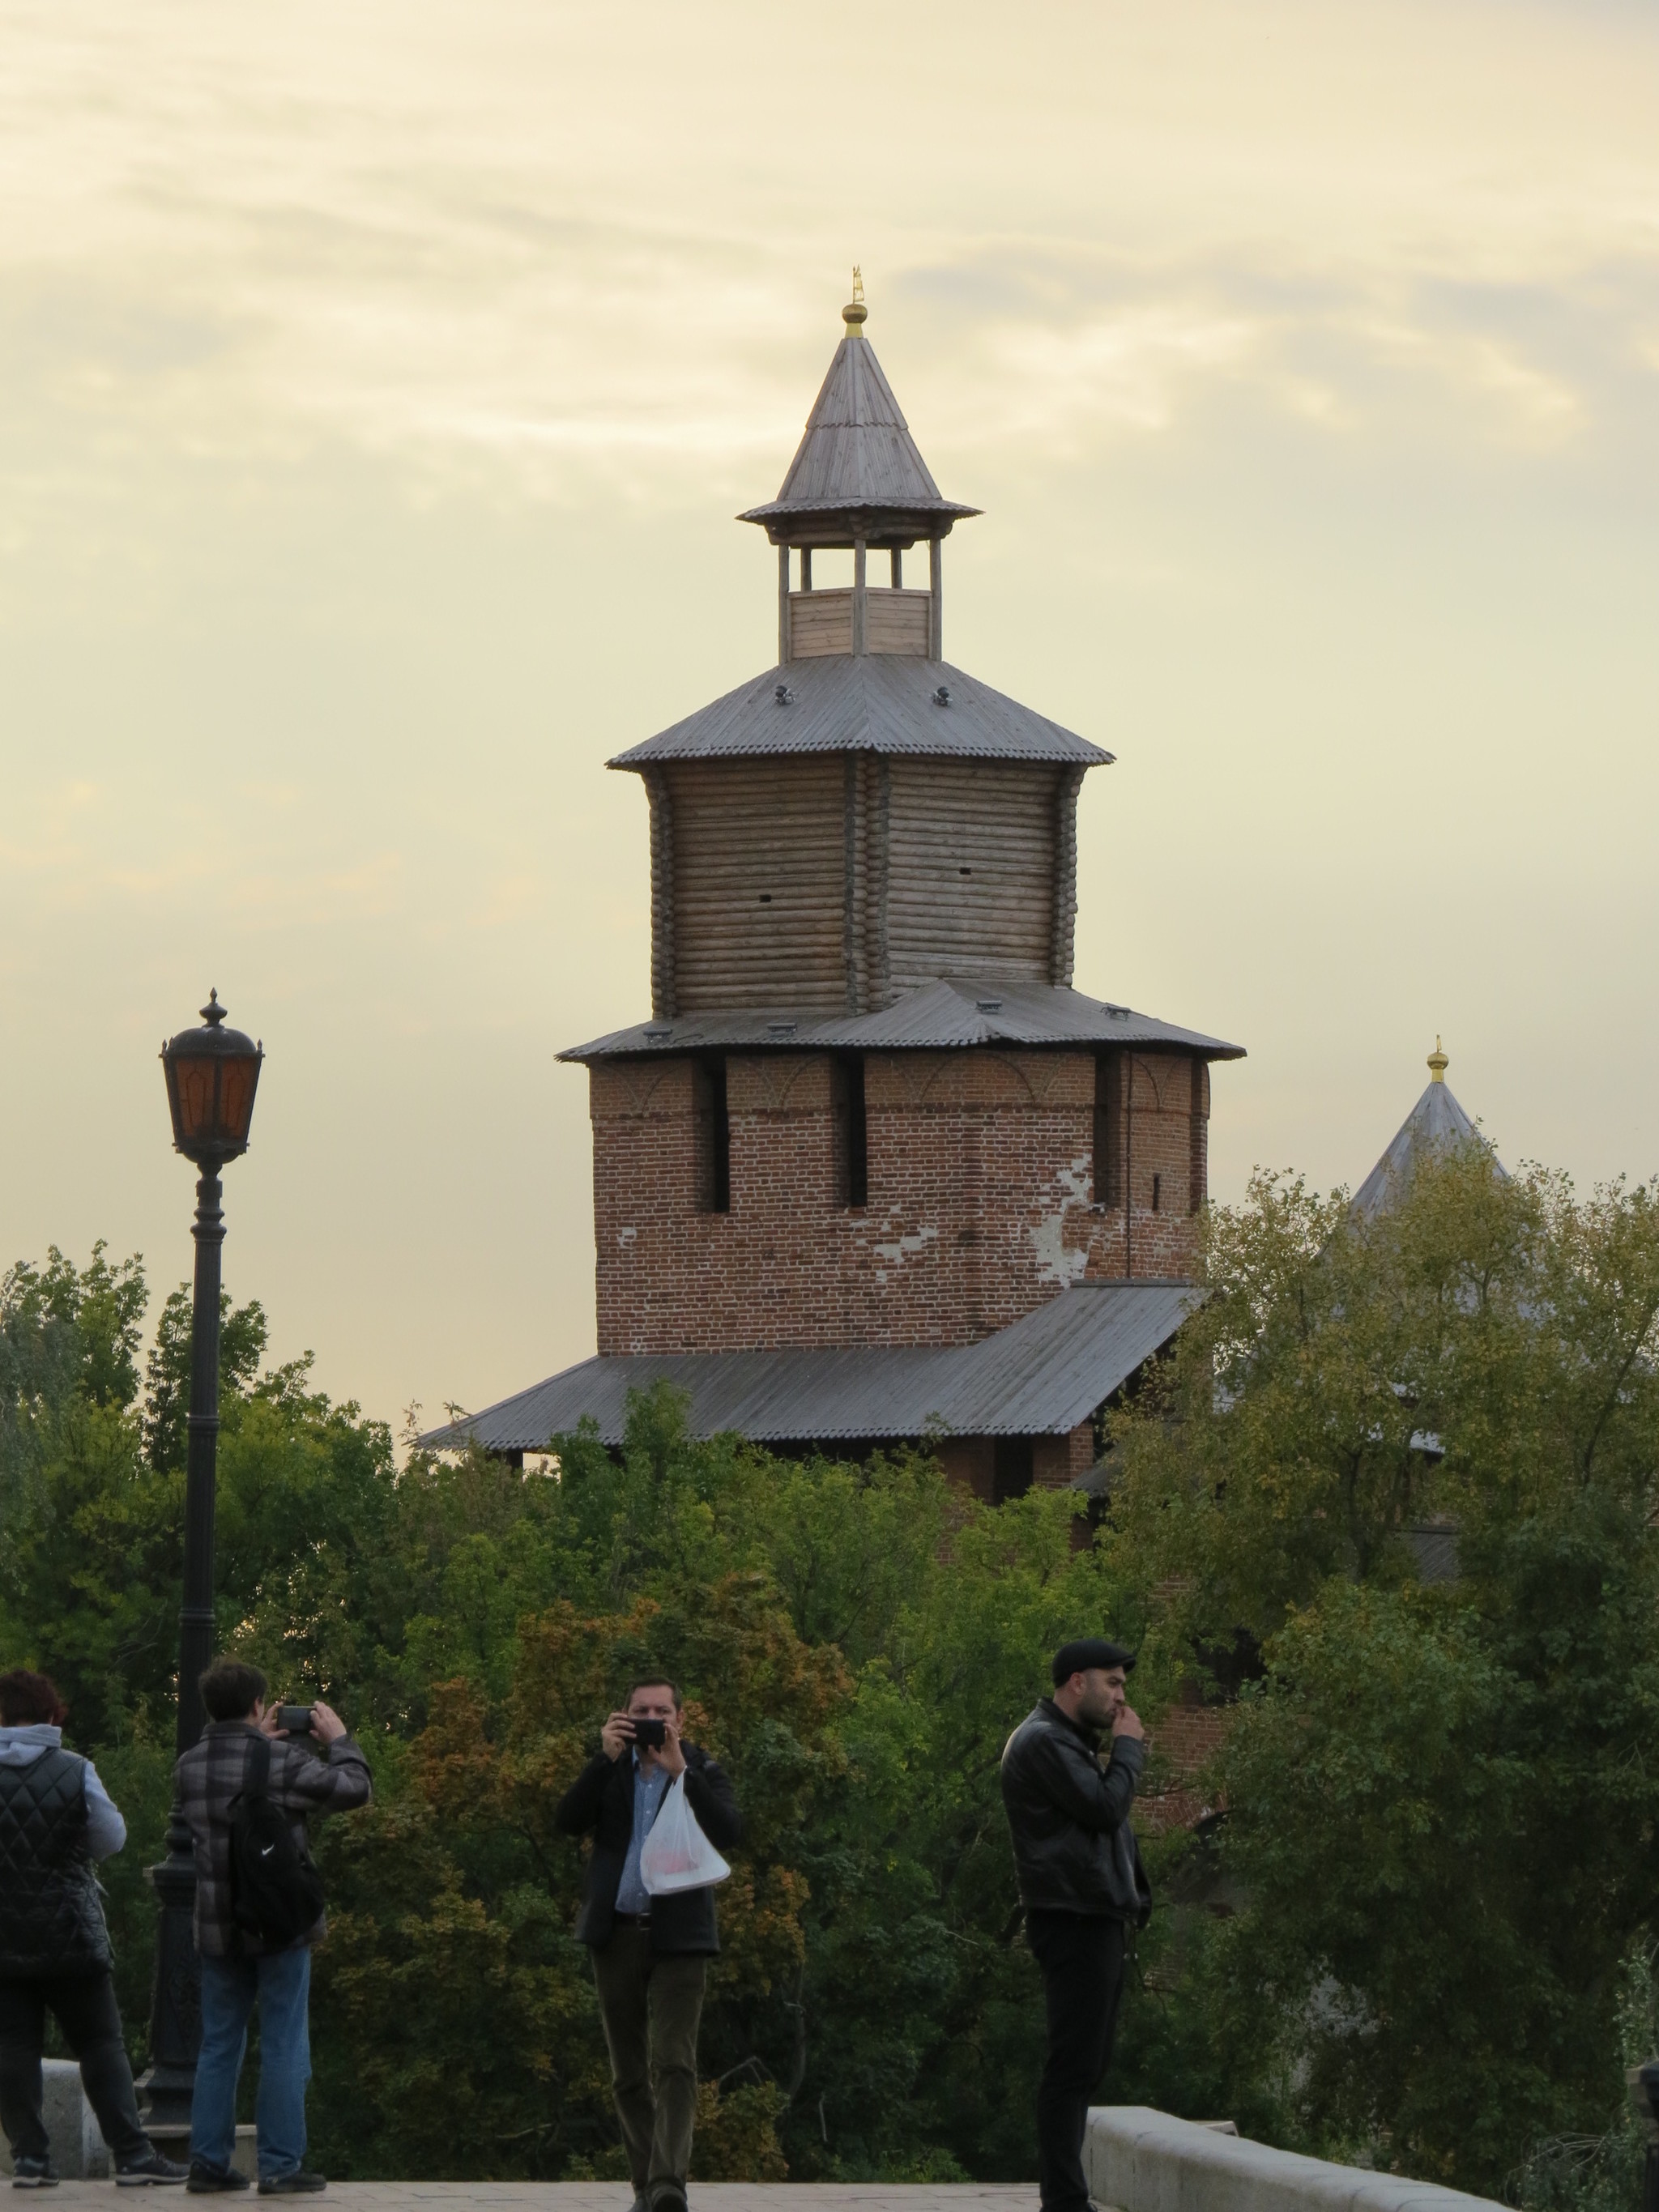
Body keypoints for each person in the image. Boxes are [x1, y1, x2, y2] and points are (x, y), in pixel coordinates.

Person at [175, 1660, 372, 2198]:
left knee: (219, 2043)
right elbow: (354, 1789)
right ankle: (281, 2165)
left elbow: (221, 1777)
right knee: (284, 2039)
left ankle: (208, 2163)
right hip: (279, 1925)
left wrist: (252, 1744)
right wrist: (340, 1739)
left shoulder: (188, 1766)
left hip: (217, 1928)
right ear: (260, 1705)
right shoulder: (281, 1761)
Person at [554, 1677, 741, 2212]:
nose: (653, 1718)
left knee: (675, 2061)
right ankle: (646, 2185)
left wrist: (682, 1769)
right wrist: (601, 1758)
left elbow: (730, 1830)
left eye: (663, 1709)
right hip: (615, 1933)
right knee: (628, 2071)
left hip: (680, 1937)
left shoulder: (701, 1768)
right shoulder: (611, 1769)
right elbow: (566, 1821)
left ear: (680, 1718)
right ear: (624, 1716)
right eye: (642, 1710)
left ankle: (668, 2185)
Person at [0, 1668, 187, 2188]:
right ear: (50, 1714)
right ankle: (131, 2154)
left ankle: (32, 2160)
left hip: (3, 1939)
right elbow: (113, 1838)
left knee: (12, 2048)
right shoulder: (75, 1769)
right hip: (71, 1932)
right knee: (101, 2043)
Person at [1000, 1639, 1152, 2212]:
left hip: (1094, 1916)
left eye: (1122, 1685)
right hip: (1073, 1919)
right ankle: (1064, 2201)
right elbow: (1106, 1806)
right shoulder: (1043, 1741)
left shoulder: (1067, 1743)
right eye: (1111, 1682)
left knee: (1087, 2064)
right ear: (1076, 1680)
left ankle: (1066, 2197)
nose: (1120, 1695)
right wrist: (1129, 1749)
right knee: (1071, 2066)